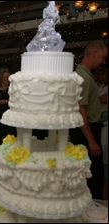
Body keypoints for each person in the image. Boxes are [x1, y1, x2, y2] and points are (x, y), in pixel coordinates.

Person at [69, 40, 108, 200]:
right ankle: (92, 208)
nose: (103, 61)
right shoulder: (82, 76)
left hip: (88, 128)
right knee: (92, 174)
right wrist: (91, 140)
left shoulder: (84, 74)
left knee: (92, 174)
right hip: (86, 130)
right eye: (102, 57)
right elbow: (80, 108)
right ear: (93, 54)